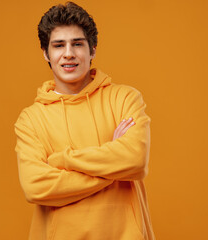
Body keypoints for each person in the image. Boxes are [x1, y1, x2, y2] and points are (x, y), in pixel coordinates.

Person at [14, 2, 155, 239]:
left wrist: (62, 160)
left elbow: (135, 160)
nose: (68, 53)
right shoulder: (31, 119)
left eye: (77, 44)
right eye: (59, 45)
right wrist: (113, 162)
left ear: (92, 50)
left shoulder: (124, 99)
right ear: (46, 53)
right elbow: (35, 186)